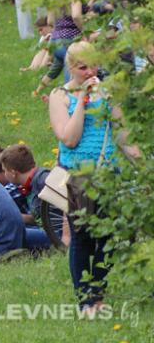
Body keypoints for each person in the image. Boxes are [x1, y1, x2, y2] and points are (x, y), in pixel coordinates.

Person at [48, 41, 139, 312]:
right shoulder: (60, 95)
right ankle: (84, 299)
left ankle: (97, 291)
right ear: (71, 67)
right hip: (79, 176)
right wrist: (82, 102)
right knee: (83, 237)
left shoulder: (108, 93)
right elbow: (69, 137)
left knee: (110, 236)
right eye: (82, 67)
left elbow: (122, 133)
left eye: (94, 65)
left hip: (108, 174)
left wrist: (141, 161)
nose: (89, 72)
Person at [0, 144, 57, 250]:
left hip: (56, 234)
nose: (4, 174)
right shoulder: (30, 183)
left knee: (8, 233)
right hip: (46, 229)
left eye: (4, 170)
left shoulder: (43, 180)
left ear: (13, 173)